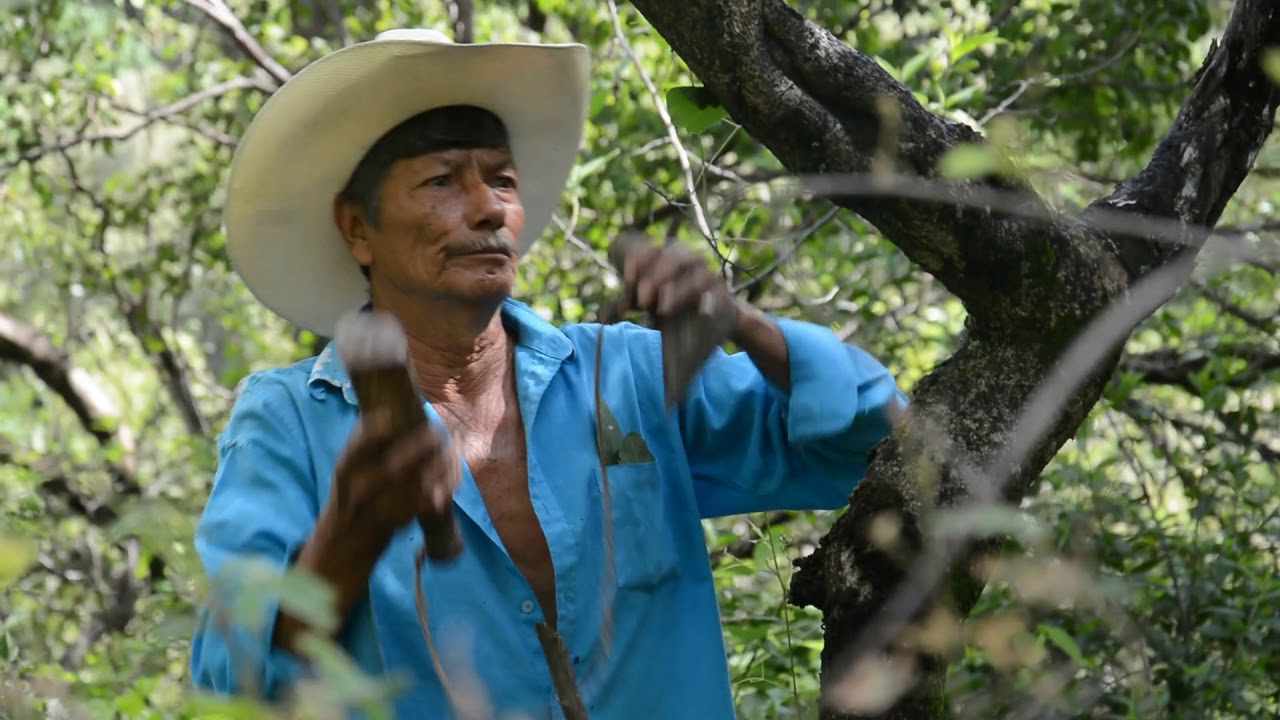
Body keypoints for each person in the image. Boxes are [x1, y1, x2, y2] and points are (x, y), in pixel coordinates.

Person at [189, 27, 908, 720]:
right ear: (356, 228)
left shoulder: (625, 373)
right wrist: (347, 534)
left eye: (502, 179)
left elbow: (880, 447)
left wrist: (745, 327)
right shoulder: (288, 424)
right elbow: (231, 683)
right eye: (442, 180)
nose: (489, 208)